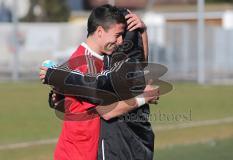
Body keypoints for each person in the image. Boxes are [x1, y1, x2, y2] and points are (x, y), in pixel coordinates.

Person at [39, 4, 159, 160]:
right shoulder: (83, 63)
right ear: (100, 32)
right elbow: (106, 111)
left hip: (87, 151)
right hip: (77, 153)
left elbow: (136, 69)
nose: (120, 41)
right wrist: (144, 97)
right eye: (117, 35)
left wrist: (142, 32)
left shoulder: (102, 59)